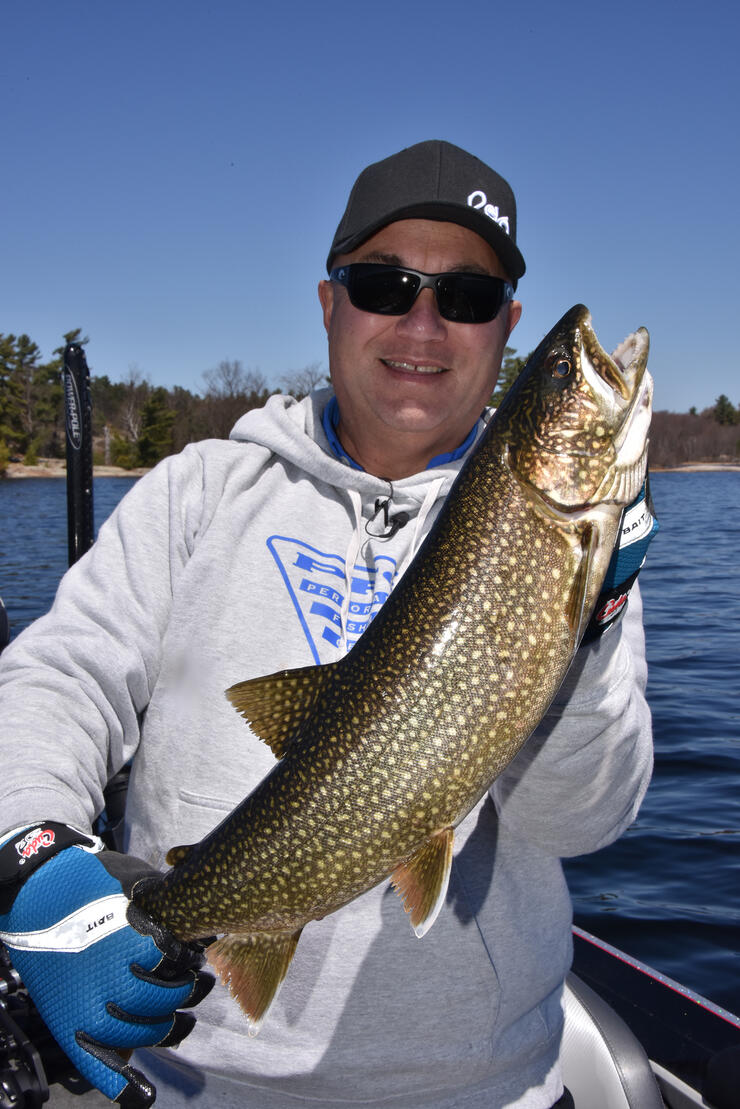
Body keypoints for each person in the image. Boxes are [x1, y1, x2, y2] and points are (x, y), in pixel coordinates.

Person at [0, 140, 654, 1109]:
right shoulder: (198, 491)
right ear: (328, 303)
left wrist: (586, 627)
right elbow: (55, 680)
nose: (422, 323)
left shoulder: (566, 552)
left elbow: (585, 818)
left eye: (466, 297)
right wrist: (34, 848)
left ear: (504, 328)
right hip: (186, 1074)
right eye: (385, 283)